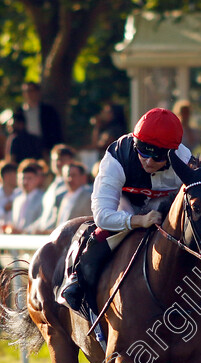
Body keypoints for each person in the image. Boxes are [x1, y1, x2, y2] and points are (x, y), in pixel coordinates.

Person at [59, 107, 192, 310]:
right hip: (126, 202)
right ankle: (79, 280)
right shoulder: (117, 158)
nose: (148, 161)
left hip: (165, 204)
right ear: (135, 143)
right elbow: (103, 216)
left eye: (157, 156)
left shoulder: (183, 159)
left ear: (172, 153)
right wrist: (137, 221)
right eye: (143, 151)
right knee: (112, 228)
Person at [15, 82, 62, 154]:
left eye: (31, 91)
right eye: (27, 91)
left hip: (44, 148)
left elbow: (55, 131)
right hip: (25, 148)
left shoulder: (48, 111)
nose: (29, 94)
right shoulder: (19, 112)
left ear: (37, 92)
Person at [6, 159, 44, 234]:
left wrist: (25, 231)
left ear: (36, 180)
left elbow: (42, 220)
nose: (25, 182)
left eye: (29, 178)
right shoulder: (17, 200)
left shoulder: (43, 198)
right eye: (23, 178)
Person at [54, 161, 93, 226]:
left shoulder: (89, 197)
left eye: (73, 175)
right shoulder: (63, 197)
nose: (70, 179)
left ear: (83, 177)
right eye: (67, 175)